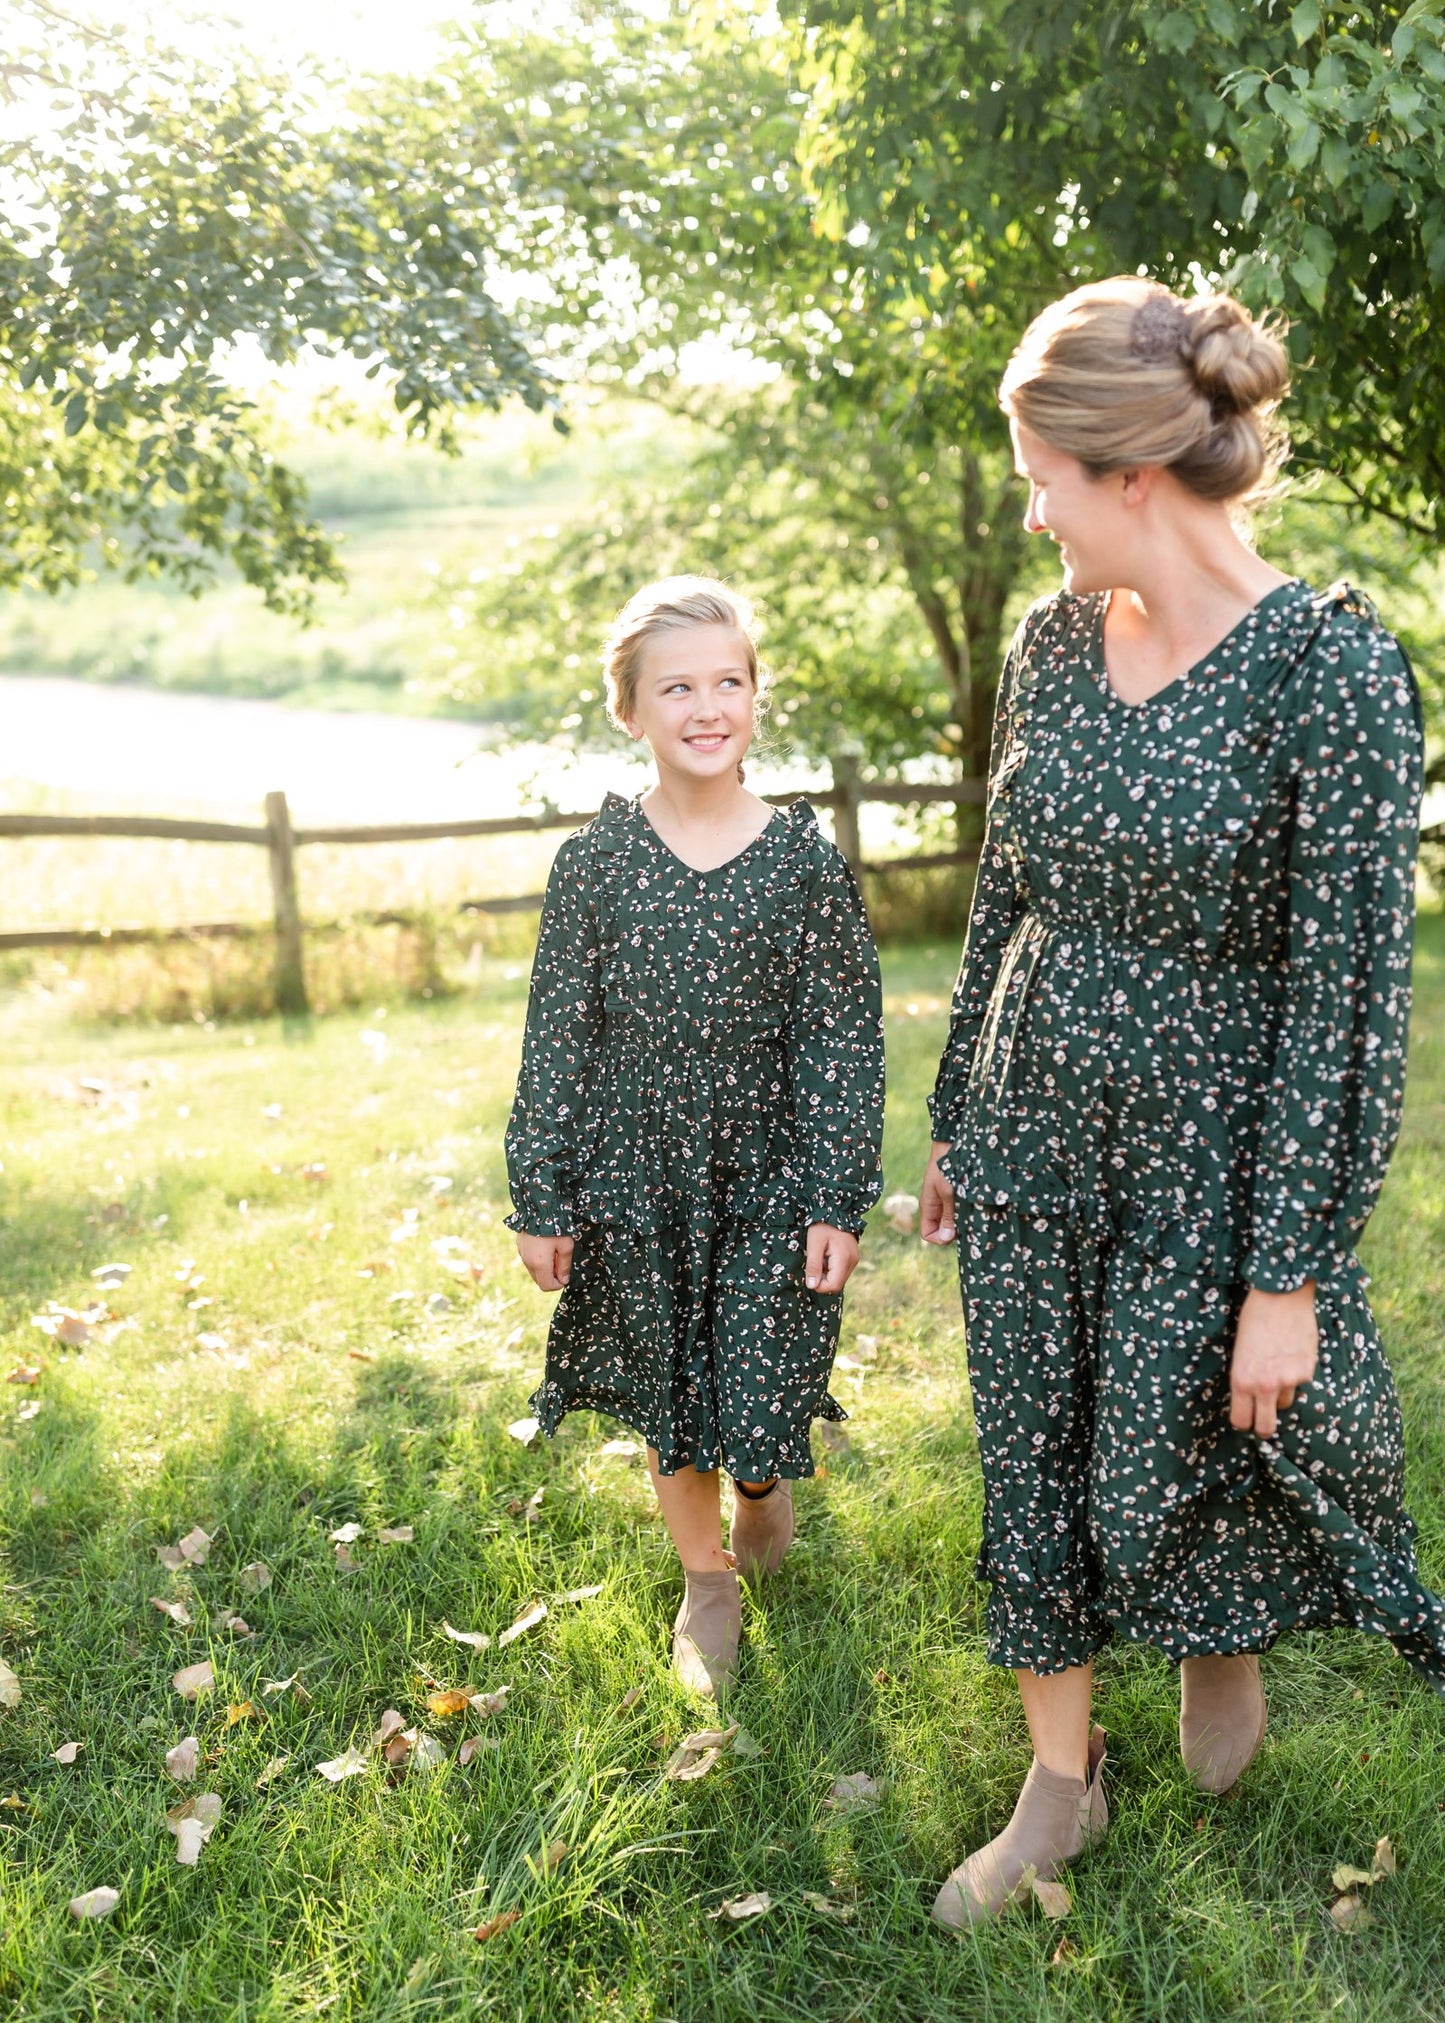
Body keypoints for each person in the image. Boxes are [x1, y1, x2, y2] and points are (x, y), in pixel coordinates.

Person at [921, 276, 1445, 1929]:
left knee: (1193, 1444)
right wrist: (953, 1109)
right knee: (1040, 1450)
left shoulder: (1332, 675)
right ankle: (1056, 1786)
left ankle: (1221, 1638)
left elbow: (1347, 996)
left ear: (1126, 471)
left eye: (1039, 477)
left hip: (1209, 1153)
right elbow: (1006, 883)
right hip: (1029, 1125)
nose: (1028, 511)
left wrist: (1285, 1270)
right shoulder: (1052, 643)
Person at [506, 575, 885, 1697]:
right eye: (676, 686)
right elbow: (556, 1040)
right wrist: (543, 1193)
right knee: (673, 1383)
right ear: (629, 710)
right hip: (637, 1173)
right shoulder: (596, 867)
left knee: (757, 1382)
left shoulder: (803, 866)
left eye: (729, 680)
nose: (705, 705)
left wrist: (835, 1192)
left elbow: (840, 1043)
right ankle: (703, 1576)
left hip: (767, 1172)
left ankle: (762, 1485)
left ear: (757, 698)